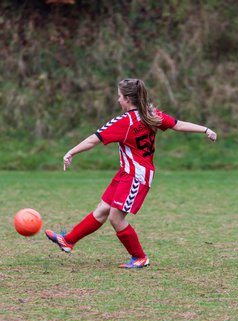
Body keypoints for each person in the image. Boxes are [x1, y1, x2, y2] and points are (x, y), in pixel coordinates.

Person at [46, 78, 217, 269]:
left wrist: (71, 152)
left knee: (116, 218)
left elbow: (94, 140)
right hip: (126, 173)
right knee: (102, 210)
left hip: (136, 176)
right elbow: (178, 125)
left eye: (119, 96)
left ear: (128, 99)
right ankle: (68, 241)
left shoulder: (124, 122)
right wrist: (205, 129)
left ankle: (140, 257)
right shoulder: (151, 114)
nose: (118, 100)